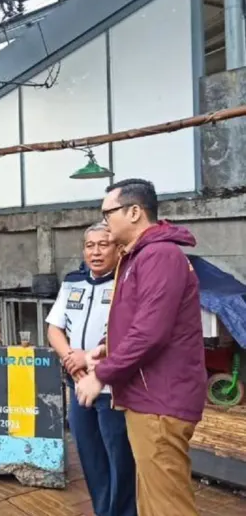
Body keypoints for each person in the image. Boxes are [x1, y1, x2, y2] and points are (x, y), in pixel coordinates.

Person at [76, 178, 206, 516]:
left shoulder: (160, 255)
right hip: (148, 398)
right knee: (151, 500)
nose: (105, 222)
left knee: (167, 506)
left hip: (161, 401)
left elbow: (151, 332)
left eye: (108, 213)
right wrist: (107, 347)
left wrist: (100, 375)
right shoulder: (139, 257)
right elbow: (141, 322)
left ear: (134, 212)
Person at [46, 223, 135, 516]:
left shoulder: (127, 282)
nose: (95, 252)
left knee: (119, 461)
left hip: (112, 389)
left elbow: (129, 334)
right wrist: (72, 357)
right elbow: (54, 328)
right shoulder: (73, 282)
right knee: (91, 459)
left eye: (103, 245)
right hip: (78, 385)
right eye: (89, 245)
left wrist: (88, 359)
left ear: (118, 248)